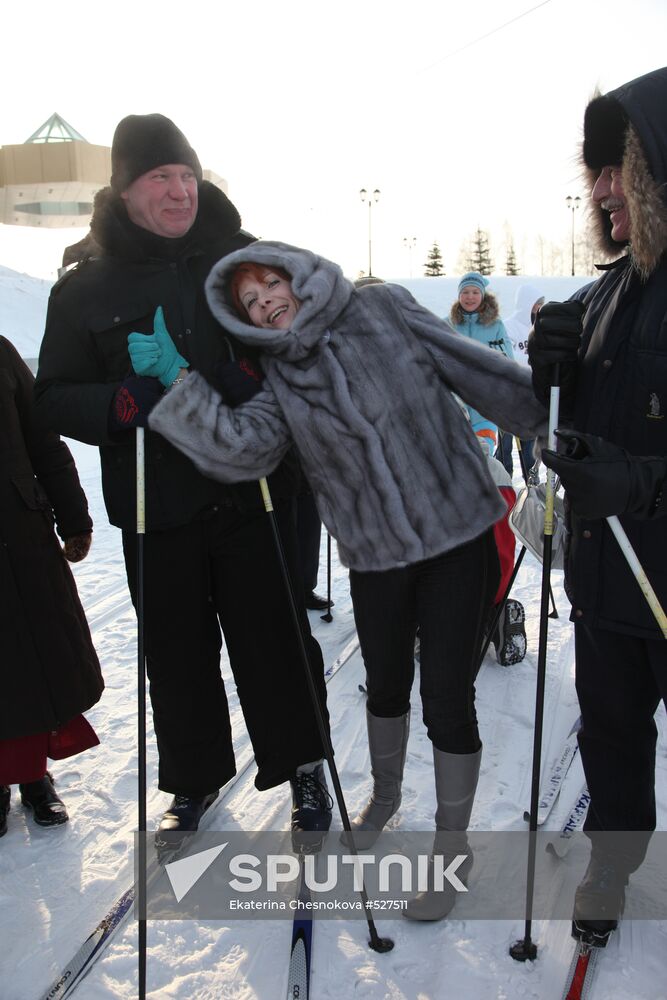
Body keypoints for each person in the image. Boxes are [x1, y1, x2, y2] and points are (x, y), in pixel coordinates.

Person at [147, 241, 548, 919]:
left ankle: (454, 850)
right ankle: (384, 798)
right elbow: (247, 449)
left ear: (296, 276)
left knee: (446, 696)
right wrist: (177, 385)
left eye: (271, 284)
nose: (266, 301)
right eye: (250, 300)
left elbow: (472, 370)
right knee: (386, 685)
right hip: (373, 555)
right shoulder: (275, 372)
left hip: (455, 535)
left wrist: (549, 416)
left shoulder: (381, 308)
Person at [34, 115, 332, 844]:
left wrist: (243, 375)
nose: (178, 191)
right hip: (154, 499)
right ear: (126, 190)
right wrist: (122, 402)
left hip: (255, 490)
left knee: (275, 637)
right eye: (160, 178)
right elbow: (51, 395)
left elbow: (301, 344)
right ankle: (193, 780)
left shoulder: (243, 260)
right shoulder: (84, 287)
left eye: (187, 176)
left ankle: (302, 769)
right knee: (176, 650)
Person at [528, 66, 667, 948]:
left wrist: (638, 481)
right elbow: (573, 434)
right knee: (611, 733)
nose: (602, 189)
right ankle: (610, 865)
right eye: (595, 175)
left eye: (618, 166)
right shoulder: (604, 295)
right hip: (610, 583)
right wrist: (553, 383)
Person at [0, 336, 103, 835]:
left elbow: (43, 439)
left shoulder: (0, 353)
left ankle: (34, 778)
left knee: (32, 660)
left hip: (17, 538)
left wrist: (74, 518)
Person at [449, 272, 514, 459]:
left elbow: (507, 363)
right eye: (465, 292)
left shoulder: (495, 326)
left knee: (481, 457)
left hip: (484, 408)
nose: (470, 297)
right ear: (459, 295)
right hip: (453, 408)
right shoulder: (447, 324)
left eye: (475, 292)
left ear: (483, 295)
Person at [499, 284, 545, 480]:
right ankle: (502, 484)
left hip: (529, 395)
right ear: (527, 304)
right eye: (537, 304)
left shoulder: (539, 328)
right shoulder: (508, 326)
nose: (539, 308)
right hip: (507, 395)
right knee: (505, 447)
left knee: (529, 445)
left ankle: (531, 486)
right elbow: (508, 357)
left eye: (542, 304)